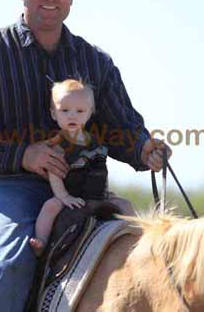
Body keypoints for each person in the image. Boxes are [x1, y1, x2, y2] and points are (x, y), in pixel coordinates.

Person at [0, 0, 172, 310]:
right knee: (10, 263)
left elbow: (120, 127)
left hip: (84, 190)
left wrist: (143, 148)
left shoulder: (95, 62)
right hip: (5, 187)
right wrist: (21, 154)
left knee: (146, 256)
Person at [29, 79, 133, 256]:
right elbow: (55, 173)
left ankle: (137, 237)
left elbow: (100, 170)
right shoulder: (57, 144)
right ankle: (41, 241)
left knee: (125, 204)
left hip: (95, 195)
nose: (72, 116)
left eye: (79, 111)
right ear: (54, 114)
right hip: (69, 194)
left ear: (89, 113)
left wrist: (105, 192)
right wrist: (63, 196)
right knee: (50, 207)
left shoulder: (96, 142)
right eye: (65, 110)